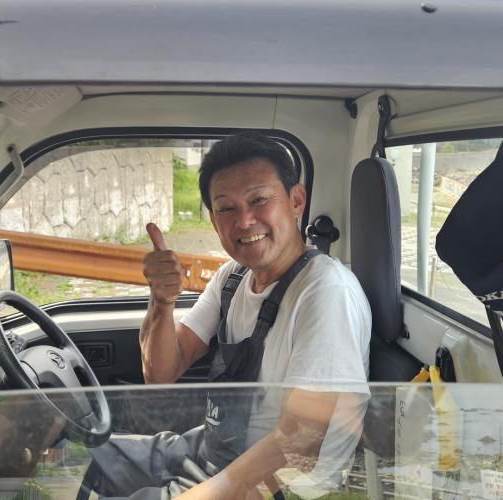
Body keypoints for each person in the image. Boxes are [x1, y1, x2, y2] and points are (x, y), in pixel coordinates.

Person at [85, 132, 372, 499]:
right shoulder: (232, 279)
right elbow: (159, 372)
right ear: (213, 218)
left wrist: (203, 494)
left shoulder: (325, 292)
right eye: (227, 208)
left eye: (259, 200)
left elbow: (302, 439)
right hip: (214, 452)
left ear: (296, 200)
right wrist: (161, 300)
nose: (245, 220)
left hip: (276, 486)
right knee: (80, 450)